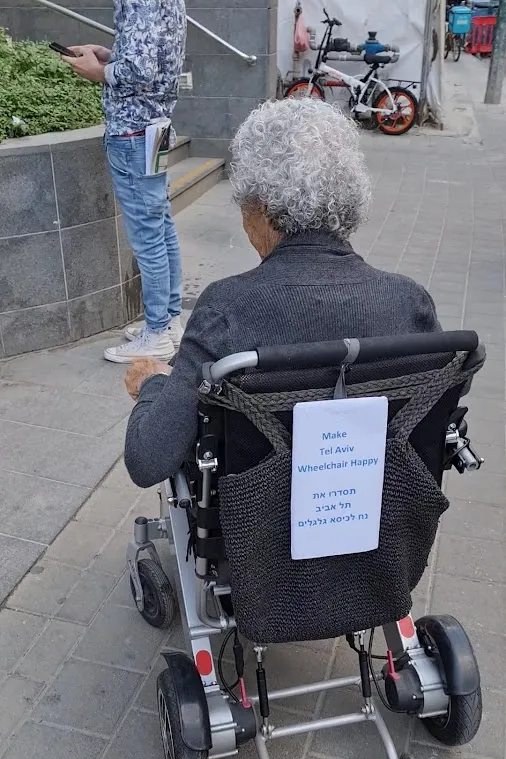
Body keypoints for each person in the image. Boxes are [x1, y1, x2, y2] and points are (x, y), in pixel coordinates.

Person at [123, 98, 440, 488]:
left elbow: (148, 460)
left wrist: (154, 384)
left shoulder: (227, 309)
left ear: (262, 208)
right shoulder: (408, 301)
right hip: (383, 511)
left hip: (256, 517)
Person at [63, 0, 187, 363]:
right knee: (161, 226)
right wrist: (109, 55)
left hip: (133, 134)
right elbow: (156, 58)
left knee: (148, 235)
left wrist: (99, 72)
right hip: (155, 128)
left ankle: (156, 334)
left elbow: (141, 69)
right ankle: (169, 322)